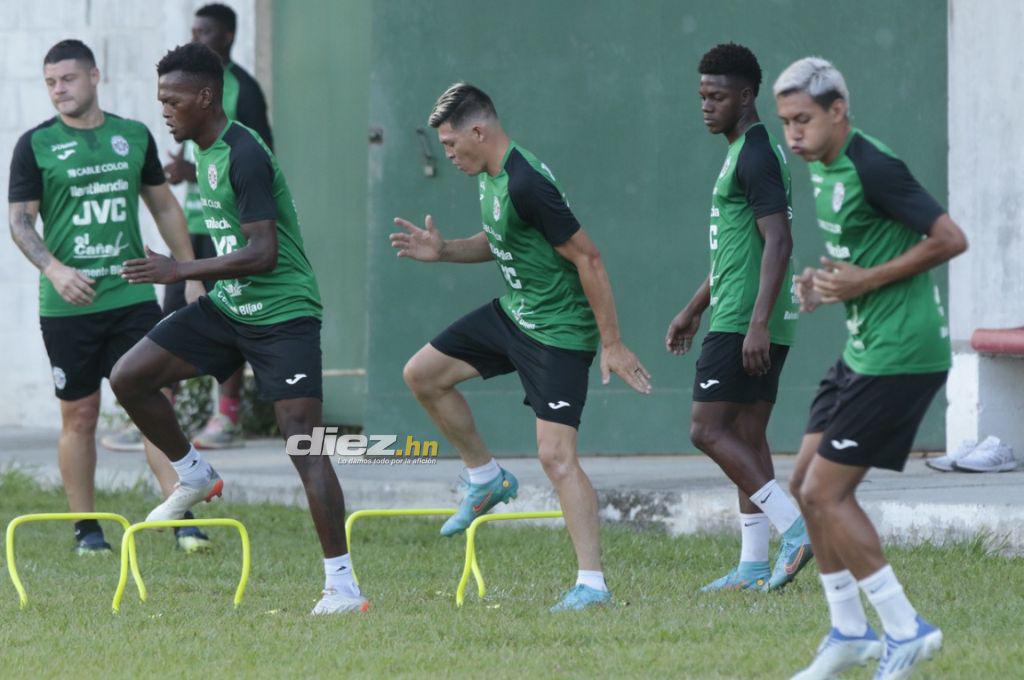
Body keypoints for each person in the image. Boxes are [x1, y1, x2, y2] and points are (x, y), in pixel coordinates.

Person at [110, 42, 365, 615]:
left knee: (304, 443)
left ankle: (343, 586)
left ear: (206, 97)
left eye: (174, 101)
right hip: (232, 307)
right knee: (129, 377)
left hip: (283, 315)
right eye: (160, 100)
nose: (165, 111)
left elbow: (264, 252)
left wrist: (181, 270)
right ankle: (193, 473)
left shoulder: (244, 152)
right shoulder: (203, 151)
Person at [390, 82, 651, 611]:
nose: (448, 155)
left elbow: (589, 258)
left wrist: (613, 343)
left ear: (478, 132)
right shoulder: (491, 177)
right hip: (515, 313)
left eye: (450, 144)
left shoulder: (527, 182)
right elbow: (501, 239)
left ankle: (592, 585)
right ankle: (486, 478)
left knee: (556, 457)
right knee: (422, 374)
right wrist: (444, 251)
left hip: (558, 331)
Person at [774, 57, 967, 679]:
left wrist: (865, 281)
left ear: (838, 111)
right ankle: (850, 633)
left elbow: (950, 238)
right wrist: (823, 283)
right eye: (785, 121)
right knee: (804, 487)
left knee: (827, 493)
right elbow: (862, 253)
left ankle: (906, 630)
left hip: (902, 354)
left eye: (803, 119)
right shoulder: (823, 166)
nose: (793, 133)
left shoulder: (873, 166)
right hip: (862, 350)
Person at [7, 39, 206, 553]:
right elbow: (20, 222)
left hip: (131, 295)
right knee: (80, 415)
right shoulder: (35, 145)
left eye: (68, 79)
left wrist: (189, 271)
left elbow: (164, 206)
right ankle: (87, 530)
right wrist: (54, 270)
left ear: (95, 76)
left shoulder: (132, 135)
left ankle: (182, 520)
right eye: (50, 82)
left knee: (155, 404)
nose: (59, 90)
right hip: (69, 305)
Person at [666, 43, 811, 592]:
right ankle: (752, 565)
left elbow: (779, 240)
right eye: (702, 96)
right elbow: (735, 250)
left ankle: (795, 529)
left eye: (718, 97)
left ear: (746, 97)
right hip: (743, 314)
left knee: (707, 429)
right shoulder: (743, 152)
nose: (707, 106)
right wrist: (692, 308)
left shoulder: (754, 154)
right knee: (747, 436)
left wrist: (756, 324)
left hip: (744, 320)